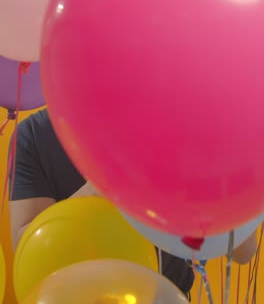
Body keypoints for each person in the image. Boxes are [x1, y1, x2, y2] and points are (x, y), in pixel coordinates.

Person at [9, 109, 256, 299]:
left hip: (168, 295)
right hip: (76, 297)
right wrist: (102, 186)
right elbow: (26, 247)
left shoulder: (173, 120)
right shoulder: (34, 135)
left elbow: (245, 251)